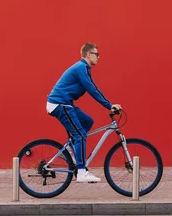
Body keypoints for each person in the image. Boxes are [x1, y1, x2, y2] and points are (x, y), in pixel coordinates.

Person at [46, 43, 122, 183]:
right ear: (88, 54)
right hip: (59, 104)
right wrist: (109, 105)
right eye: (96, 54)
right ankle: (81, 171)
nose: (98, 57)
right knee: (80, 134)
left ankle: (70, 150)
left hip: (66, 104)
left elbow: (91, 88)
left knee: (87, 121)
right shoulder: (81, 67)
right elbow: (92, 89)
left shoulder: (83, 68)